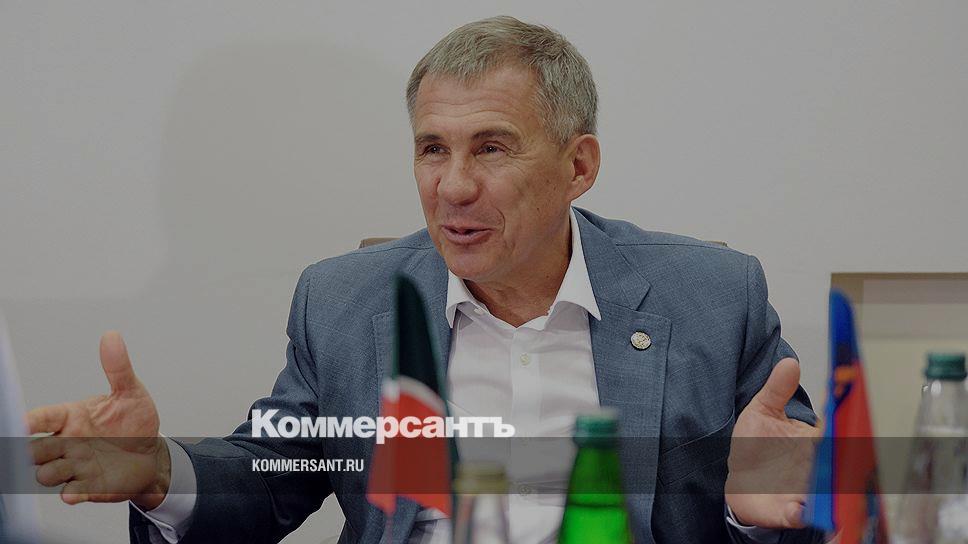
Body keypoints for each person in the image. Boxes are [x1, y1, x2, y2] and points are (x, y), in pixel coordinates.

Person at [27, 16, 826, 544]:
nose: (453, 187)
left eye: (491, 148)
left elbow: (795, 501)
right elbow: (272, 477)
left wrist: (760, 517)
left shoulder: (714, 298)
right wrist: (159, 472)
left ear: (579, 165)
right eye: (432, 149)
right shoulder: (345, 302)